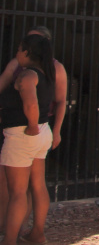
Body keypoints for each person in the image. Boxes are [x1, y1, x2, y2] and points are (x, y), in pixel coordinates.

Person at [0, 26, 67, 236]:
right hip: (41, 131)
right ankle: (36, 232)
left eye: (22, 47)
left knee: (17, 192)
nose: (18, 51)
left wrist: (32, 126)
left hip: (25, 133)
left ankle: (10, 239)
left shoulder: (29, 74)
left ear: (30, 50)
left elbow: (32, 106)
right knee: (37, 185)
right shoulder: (47, 71)